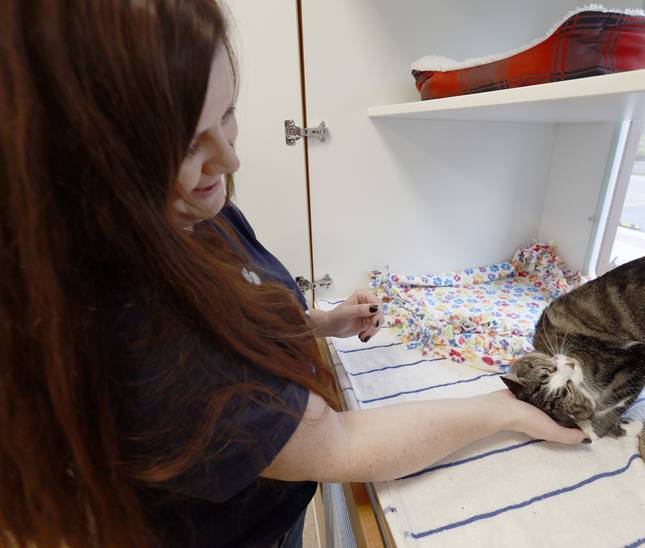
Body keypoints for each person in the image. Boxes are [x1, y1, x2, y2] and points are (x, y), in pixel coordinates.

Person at [0, 1, 586, 547]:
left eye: (227, 113)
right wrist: (500, 410)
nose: (229, 160)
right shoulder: (150, 342)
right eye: (182, 146)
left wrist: (318, 323)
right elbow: (343, 443)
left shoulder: (189, 209)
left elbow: (232, 306)